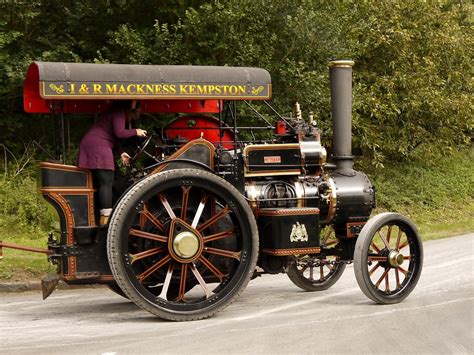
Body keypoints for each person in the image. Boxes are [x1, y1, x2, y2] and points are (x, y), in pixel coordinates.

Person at [77, 100, 147, 225]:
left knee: (113, 180)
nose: (138, 107)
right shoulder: (119, 112)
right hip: (98, 146)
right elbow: (119, 133)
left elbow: (112, 136)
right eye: (136, 103)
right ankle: (106, 220)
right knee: (106, 182)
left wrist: (121, 152)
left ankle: (110, 214)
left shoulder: (115, 113)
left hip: (96, 144)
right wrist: (136, 131)